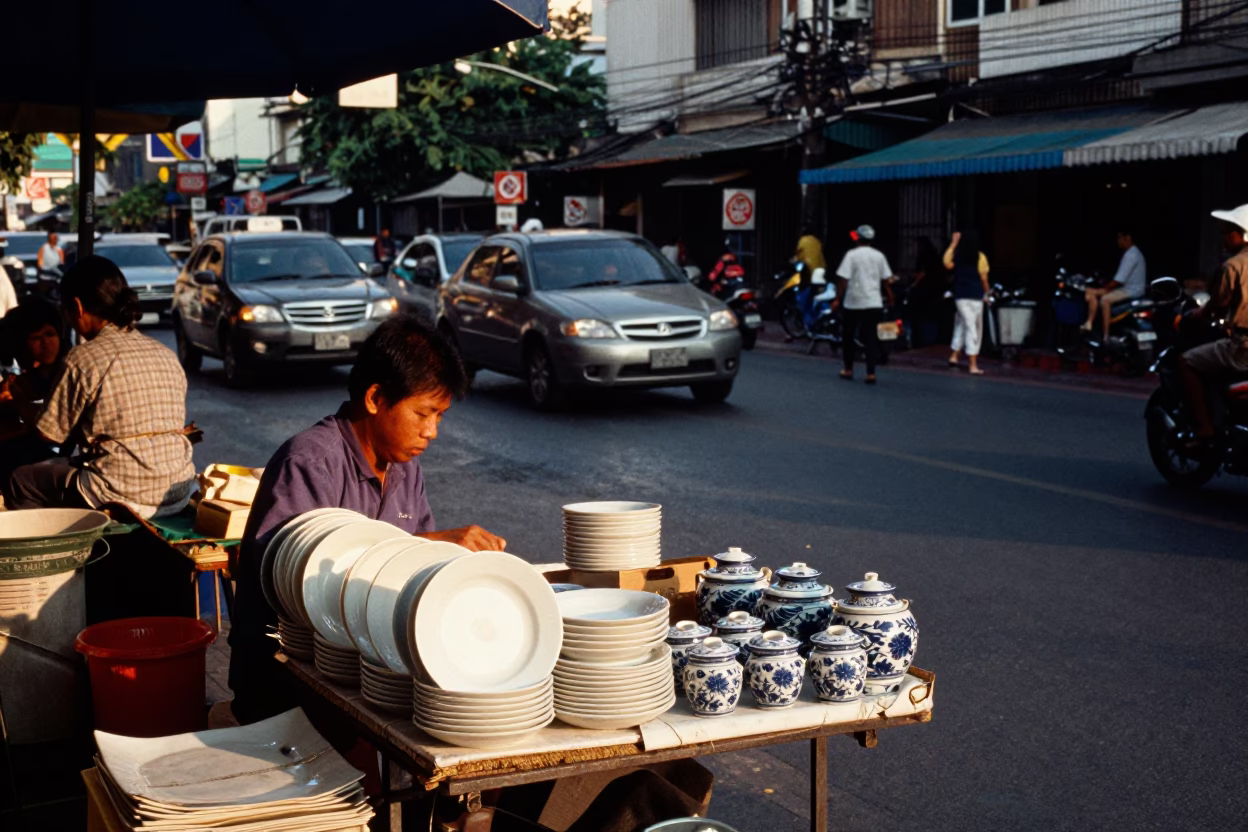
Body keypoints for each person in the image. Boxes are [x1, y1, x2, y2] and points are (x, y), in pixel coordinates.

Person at [228, 315, 507, 725]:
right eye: (423, 413)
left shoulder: (403, 466)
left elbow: (413, 575)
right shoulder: (309, 462)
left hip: (364, 668)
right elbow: (302, 584)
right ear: (375, 398)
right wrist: (432, 543)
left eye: (440, 416)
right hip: (284, 677)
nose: (432, 432)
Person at [2, 256, 196, 516]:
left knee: (20, 481)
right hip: (178, 490)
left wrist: (18, 403)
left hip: (118, 491)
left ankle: (52, 551)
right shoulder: (165, 353)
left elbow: (48, 435)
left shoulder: (83, 358)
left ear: (78, 307)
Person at [1178, 205, 1248, 445]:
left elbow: (1216, 307)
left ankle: (1205, 429)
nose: (1224, 237)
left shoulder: (1233, 266)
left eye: (1229, 231)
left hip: (1242, 348)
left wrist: (1191, 316)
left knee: (1186, 361)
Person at [0, 298, 68, 486]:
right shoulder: (21, 381)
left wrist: (20, 403)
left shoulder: (70, 372)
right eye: (36, 338)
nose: (46, 343)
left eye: (50, 334)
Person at [833, 224, 895, 384]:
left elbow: (843, 280)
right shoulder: (879, 256)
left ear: (858, 239)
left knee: (848, 336)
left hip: (853, 301)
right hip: (873, 301)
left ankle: (848, 369)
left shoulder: (851, 255)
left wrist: (837, 299)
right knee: (871, 337)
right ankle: (871, 373)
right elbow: (886, 280)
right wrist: (890, 296)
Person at [1083, 227, 1146, 339]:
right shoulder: (1133, 253)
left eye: (1120, 238)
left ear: (1128, 238)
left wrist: (1104, 289)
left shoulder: (1131, 255)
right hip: (1129, 288)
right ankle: (1089, 322)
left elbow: (1118, 280)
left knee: (1104, 299)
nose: (1119, 241)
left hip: (1132, 291)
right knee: (1091, 292)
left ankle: (1105, 336)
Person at [944, 229, 992, 375]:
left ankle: (954, 356)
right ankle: (973, 364)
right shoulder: (980, 257)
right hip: (975, 297)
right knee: (973, 328)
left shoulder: (958, 256)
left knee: (961, 324)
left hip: (960, 297)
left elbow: (946, 263)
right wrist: (988, 294)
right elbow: (984, 279)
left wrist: (953, 244)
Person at [36, 231, 64, 298]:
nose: (55, 239)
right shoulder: (43, 248)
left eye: (56, 238)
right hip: (45, 274)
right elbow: (40, 265)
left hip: (57, 275)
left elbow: (61, 263)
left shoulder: (59, 249)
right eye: (53, 238)